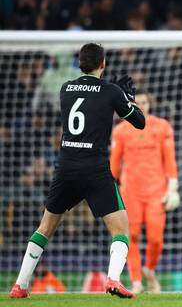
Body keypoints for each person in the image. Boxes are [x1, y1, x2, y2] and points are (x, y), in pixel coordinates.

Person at [9, 43, 145, 299]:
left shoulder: (66, 89)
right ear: (102, 64)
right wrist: (128, 100)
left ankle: (20, 285)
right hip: (95, 169)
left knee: (45, 228)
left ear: (79, 63)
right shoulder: (111, 91)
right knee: (121, 231)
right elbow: (140, 122)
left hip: (66, 168)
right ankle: (113, 279)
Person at [110, 92, 179, 294]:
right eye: (136, 103)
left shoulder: (162, 127)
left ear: (149, 104)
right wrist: (109, 189)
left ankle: (149, 269)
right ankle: (137, 281)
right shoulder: (121, 131)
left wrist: (172, 187)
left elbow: (169, 159)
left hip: (156, 192)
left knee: (156, 239)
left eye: (144, 102)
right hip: (130, 191)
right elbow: (114, 164)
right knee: (130, 236)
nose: (141, 105)